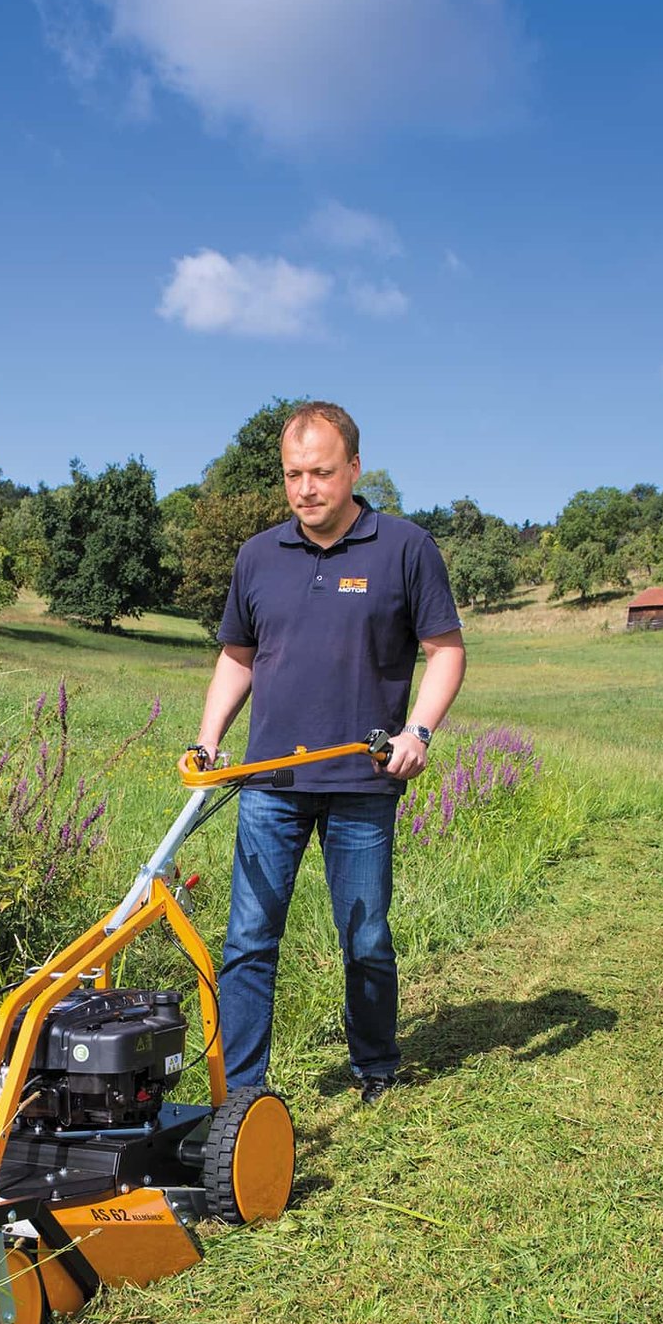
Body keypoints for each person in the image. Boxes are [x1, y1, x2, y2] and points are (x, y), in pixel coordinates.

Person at [193, 400, 466, 1106]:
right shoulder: (258, 556)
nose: (306, 488)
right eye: (293, 474)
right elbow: (237, 657)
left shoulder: (405, 547)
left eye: (320, 472)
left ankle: (375, 1064)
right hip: (268, 783)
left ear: (353, 468)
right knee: (249, 940)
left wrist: (420, 733)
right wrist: (209, 736)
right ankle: (240, 1096)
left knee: (365, 936)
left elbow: (445, 653)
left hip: (362, 781)